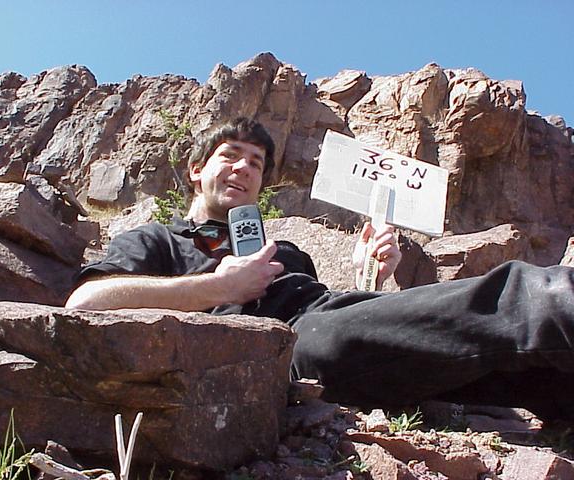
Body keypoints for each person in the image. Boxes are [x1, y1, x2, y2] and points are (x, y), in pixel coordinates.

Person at [66, 118, 574, 420]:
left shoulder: (283, 248)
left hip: (329, 325)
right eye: (231, 156)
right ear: (197, 170)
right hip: (278, 348)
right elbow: (84, 304)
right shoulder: (156, 240)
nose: (244, 167)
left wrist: (373, 276)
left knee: (534, 379)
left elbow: (346, 322)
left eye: (256, 163)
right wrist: (218, 286)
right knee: (521, 301)